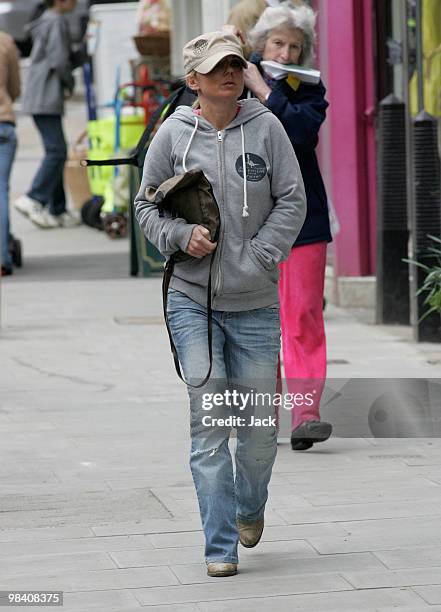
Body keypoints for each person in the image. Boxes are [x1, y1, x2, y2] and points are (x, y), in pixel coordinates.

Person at [135, 32, 306, 577]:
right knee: (210, 423)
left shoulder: (267, 127)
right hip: (192, 302)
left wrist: (261, 253)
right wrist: (180, 236)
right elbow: (145, 208)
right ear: (194, 81)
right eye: (215, 69)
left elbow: (292, 199)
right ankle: (220, 547)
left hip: (255, 303)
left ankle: (249, 506)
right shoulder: (171, 136)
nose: (229, 75)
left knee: (257, 435)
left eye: (234, 65)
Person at [244, 3, 333, 450]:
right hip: (250, 223)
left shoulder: (307, 91)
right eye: (278, 42)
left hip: (304, 221)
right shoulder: (234, 77)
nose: (286, 50)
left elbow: (300, 132)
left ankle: (305, 415)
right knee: (260, 322)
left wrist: (265, 90)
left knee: (302, 317)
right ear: (261, 44)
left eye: (295, 46)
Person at [13, 0, 79, 229]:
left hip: (39, 95)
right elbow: (59, 60)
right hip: (46, 94)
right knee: (57, 151)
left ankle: (57, 209)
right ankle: (33, 198)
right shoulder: (57, 21)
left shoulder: (46, 19)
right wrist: (70, 81)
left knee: (56, 150)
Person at [0, 31, 20, 277]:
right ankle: (2, 258)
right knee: (1, 189)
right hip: (3, 124)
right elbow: (15, 88)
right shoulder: (5, 41)